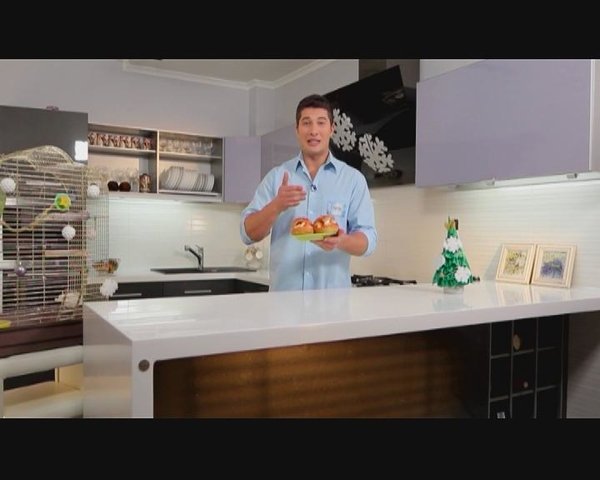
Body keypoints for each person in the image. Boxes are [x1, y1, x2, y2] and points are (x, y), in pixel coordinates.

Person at [240, 93, 378, 291]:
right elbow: (247, 233)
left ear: (331, 129)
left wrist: (342, 241)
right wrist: (276, 206)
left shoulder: (353, 180)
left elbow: (369, 240)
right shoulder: (277, 177)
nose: (314, 131)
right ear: (297, 129)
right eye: (306, 123)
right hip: (284, 302)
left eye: (321, 123)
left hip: (333, 302)